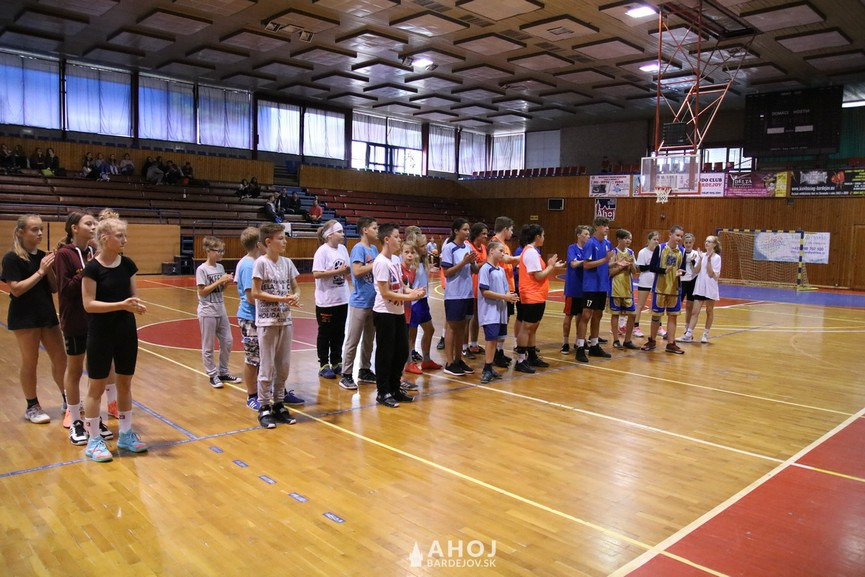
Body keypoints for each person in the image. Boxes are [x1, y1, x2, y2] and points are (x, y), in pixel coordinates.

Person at [81, 218, 148, 461]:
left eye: (125, 235)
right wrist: (121, 305)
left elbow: (132, 297)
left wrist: (136, 306)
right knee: (96, 387)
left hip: (126, 332)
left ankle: (126, 434)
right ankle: (93, 440)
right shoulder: (92, 269)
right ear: (105, 238)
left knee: (125, 384)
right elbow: (89, 305)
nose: (124, 240)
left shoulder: (128, 265)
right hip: (100, 333)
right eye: (120, 236)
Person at [1, 215, 67, 424]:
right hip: (24, 316)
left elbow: (54, 288)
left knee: (60, 358)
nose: (39, 233)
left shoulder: (42, 256)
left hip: (46, 313)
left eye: (41, 229)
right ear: (21, 232)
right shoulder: (12, 258)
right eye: (34, 229)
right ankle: (32, 406)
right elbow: (16, 289)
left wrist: (49, 269)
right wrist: (41, 271)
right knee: (31, 361)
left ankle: (68, 400)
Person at [54, 212, 112, 444]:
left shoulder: (93, 252)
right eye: (89, 223)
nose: (94, 226)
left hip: (96, 320)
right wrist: (89, 268)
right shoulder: (64, 254)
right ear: (74, 228)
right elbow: (66, 289)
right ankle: (75, 420)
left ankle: (92, 417)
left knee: (96, 370)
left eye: (95, 223)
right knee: (75, 369)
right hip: (75, 320)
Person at [251, 222, 300, 428]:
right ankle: (264, 406)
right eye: (281, 238)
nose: (285, 241)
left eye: (285, 237)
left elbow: (296, 288)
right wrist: (281, 299)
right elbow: (256, 293)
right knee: (267, 366)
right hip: (267, 321)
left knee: (283, 365)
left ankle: (279, 404)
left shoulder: (287, 263)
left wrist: (295, 296)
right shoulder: (260, 263)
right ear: (268, 242)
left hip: (285, 320)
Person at [372, 223, 425, 407]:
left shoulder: (395, 260)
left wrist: (412, 291)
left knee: (401, 351)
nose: (399, 239)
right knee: (385, 354)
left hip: (398, 312)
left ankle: (395, 388)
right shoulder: (380, 262)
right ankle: (383, 391)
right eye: (396, 236)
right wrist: (408, 297)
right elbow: (385, 292)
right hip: (384, 313)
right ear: (387, 239)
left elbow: (400, 285)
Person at [514, 224, 565, 373]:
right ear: (537, 236)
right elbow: (539, 275)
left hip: (537, 295)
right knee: (527, 327)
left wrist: (551, 266)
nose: (544, 238)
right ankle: (521, 360)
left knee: (533, 327)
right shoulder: (530, 252)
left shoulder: (532, 251)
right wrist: (551, 267)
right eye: (543, 235)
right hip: (531, 295)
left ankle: (531, 355)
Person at [196, 236, 242, 389]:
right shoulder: (202, 269)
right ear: (208, 251)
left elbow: (220, 289)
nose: (221, 253)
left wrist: (225, 282)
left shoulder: (220, 268)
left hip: (220, 309)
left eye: (223, 250)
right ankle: (212, 374)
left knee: (228, 341)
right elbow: (202, 292)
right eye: (218, 251)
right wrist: (219, 281)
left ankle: (223, 372)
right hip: (207, 311)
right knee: (208, 345)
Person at [339, 217, 379, 391]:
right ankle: (346, 374)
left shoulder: (374, 249)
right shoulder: (358, 248)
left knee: (369, 339)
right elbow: (356, 271)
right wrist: (375, 264)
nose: (377, 231)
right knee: (353, 339)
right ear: (365, 230)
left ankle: (364, 369)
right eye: (374, 228)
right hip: (360, 301)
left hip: (373, 301)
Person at [312, 220, 350, 380]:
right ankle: (323, 364)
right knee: (325, 333)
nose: (343, 234)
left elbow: (346, 270)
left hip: (342, 298)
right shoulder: (322, 251)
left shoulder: (343, 249)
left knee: (339, 332)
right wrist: (337, 272)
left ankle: (336, 361)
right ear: (329, 235)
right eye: (339, 232)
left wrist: (347, 271)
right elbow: (317, 273)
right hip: (326, 301)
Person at [478, 241, 519, 383]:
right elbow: (484, 291)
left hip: (500, 310)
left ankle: (490, 366)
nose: (503, 253)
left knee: (495, 339)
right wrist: (504, 297)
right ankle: (486, 369)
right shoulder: (485, 269)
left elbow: (506, 289)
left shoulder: (501, 270)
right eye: (501, 251)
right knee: (490, 340)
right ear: (491, 251)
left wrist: (510, 296)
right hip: (489, 311)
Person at [441, 218, 478, 377]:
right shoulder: (449, 248)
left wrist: (474, 262)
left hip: (467, 293)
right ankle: (449, 363)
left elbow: (474, 270)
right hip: (454, 294)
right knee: (452, 327)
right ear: (456, 231)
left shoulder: (468, 247)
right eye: (464, 229)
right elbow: (447, 273)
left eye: (468, 229)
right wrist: (464, 262)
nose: (467, 232)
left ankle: (458, 360)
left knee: (462, 328)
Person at [642, 225, 686, 354]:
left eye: (681, 236)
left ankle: (671, 343)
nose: (679, 238)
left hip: (674, 289)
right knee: (656, 316)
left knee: (673, 317)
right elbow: (652, 267)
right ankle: (652, 340)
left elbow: (683, 269)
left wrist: (681, 273)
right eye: (677, 235)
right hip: (660, 288)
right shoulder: (660, 248)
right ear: (670, 234)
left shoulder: (682, 251)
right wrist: (664, 271)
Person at [577, 216, 614, 363]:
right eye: (604, 225)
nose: (607, 228)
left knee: (598, 315)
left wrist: (616, 263)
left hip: (602, 285)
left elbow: (605, 264)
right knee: (586, 315)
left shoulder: (607, 243)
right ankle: (580, 347)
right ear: (597, 227)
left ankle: (594, 345)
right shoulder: (590, 243)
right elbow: (586, 265)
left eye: (608, 225)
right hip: (591, 285)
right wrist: (605, 260)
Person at [404, 227, 440, 373]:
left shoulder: (422, 261)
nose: (426, 248)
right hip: (414, 302)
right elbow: (408, 282)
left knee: (430, 330)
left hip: (423, 300)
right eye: (423, 246)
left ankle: (426, 360)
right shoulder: (411, 263)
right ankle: (409, 362)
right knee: (412, 333)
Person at [681, 236, 722, 343]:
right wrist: (700, 259)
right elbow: (696, 270)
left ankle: (705, 334)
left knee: (709, 311)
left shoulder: (717, 258)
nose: (706, 243)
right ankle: (688, 334)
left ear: (714, 244)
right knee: (695, 311)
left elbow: (711, 274)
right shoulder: (702, 255)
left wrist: (708, 260)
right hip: (700, 287)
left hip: (710, 287)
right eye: (706, 241)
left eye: (709, 241)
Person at [490, 217, 518, 368]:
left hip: (508, 287)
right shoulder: (494, 243)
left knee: (505, 320)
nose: (512, 233)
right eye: (511, 229)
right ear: (505, 229)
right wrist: (524, 256)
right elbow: (507, 259)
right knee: (498, 321)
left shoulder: (505, 245)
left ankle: (499, 351)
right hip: (499, 289)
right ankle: (494, 353)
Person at [562, 225, 591, 354]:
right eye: (585, 234)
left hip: (586, 288)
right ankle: (565, 342)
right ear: (578, 235)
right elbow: (573, 264)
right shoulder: (572, 248)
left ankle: (579, 341)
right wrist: (584, 262)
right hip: (573, 288)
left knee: (582, 317)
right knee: (569, 316)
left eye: (589, 234)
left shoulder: (589, 249)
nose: (588, 236)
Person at [608, 229, 640, 350]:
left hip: (627, 289)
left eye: (630, 239)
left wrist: (631, 264)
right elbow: (610, 273)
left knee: (632, 314)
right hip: (615, 288)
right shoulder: (613, 252)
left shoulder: (631, 252)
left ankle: (627, 340)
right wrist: (621, 267)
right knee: (615, 314)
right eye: (626, 238)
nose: (628, 241)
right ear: (619, 239)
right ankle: (616, 340)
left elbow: (634, 272)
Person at [465, 222, 488, 360]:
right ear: (476, 234)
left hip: (481, 286)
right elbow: (473, 268)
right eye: (483, 234)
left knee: (477, 317)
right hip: (471, 286)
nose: (486, 236)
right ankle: (464, 347)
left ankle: (474, 344)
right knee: (468, 318)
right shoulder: (469, 247)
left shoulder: (484, 248)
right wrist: (485, 262)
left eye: (486, 233)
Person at [633, 231, 660, 338]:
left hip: (656, 282)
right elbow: (641, 268)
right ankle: (635, 327)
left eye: (657, 240)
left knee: (656, 306)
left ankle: (658, 327)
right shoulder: (643, 252)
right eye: (654, 239)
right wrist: (653, 266)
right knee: (640, 305)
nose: (656, 241)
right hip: (645, 281)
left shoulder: (659, 252)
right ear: (648, 240)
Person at [680, 233, 699, 331]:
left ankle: (687, 327)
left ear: (693, 243)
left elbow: (697, 269)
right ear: (683, 242)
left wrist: (693, 261)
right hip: (682, 280)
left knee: (689, 305)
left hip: (692, 280)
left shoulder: (696, 254)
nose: (688, 244)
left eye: (690, 242)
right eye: (686, 242)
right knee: (677, 305)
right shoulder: (680, 252)